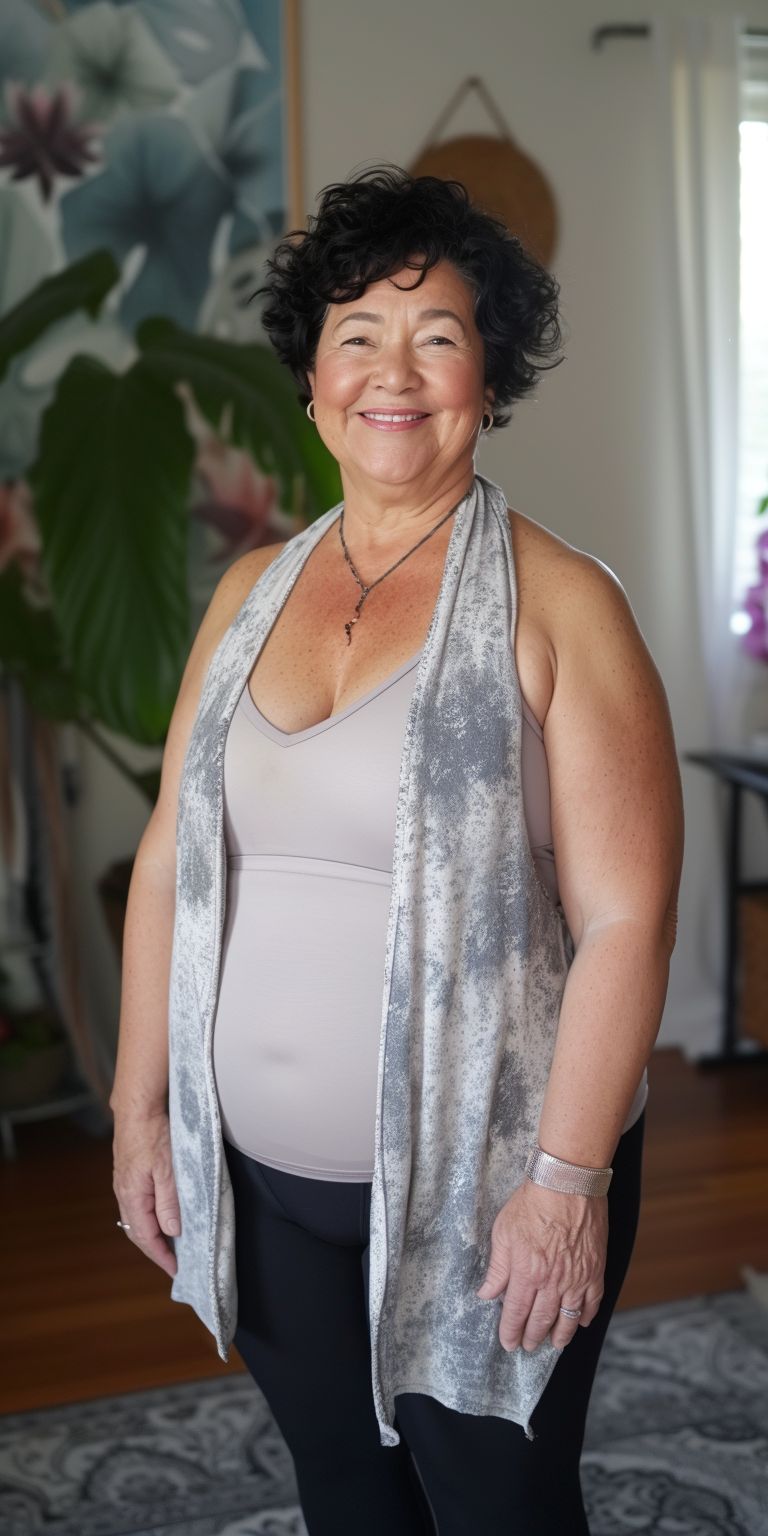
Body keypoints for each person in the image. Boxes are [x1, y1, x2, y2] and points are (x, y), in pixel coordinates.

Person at [111, 168, 683, 1535]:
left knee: (500, 1505)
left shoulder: (565, 603)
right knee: (348, 1498)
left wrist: (565, 1189)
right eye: (357, 332)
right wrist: (142, 1110)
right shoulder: (251, 592)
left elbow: (627, 920)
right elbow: (166, 864)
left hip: (494, 1186)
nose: (394, 370)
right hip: (263, 1184)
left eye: (438, 335)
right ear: (311, 378)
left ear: (490, 378)